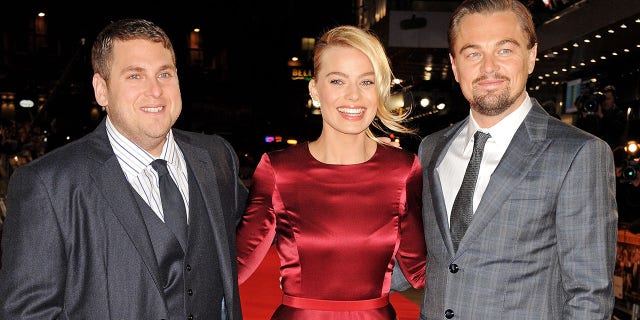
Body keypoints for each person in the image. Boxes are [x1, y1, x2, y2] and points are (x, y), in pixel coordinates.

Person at [0, 18, 248, 319]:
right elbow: (28, 314)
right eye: (135, 76)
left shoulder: (216, 158)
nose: (155, 91)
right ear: (101, 90)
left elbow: (266, 226)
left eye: (165, 74)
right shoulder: (47, 185)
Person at [409, 0, 618, 318]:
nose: (488, 67)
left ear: (531, 56)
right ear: (454, 65)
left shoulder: (578, 153)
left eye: (504, 50)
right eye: (473, 53)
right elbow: (418, 260)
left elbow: (589, 296)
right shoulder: (431, 149)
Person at [235, 25, 426, 319]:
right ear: (315, 89)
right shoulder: (279, 170)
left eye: (367, 82)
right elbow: (235, 265)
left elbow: (421, 271)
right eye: (337, 81)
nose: (353, 96)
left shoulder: (403, 170)